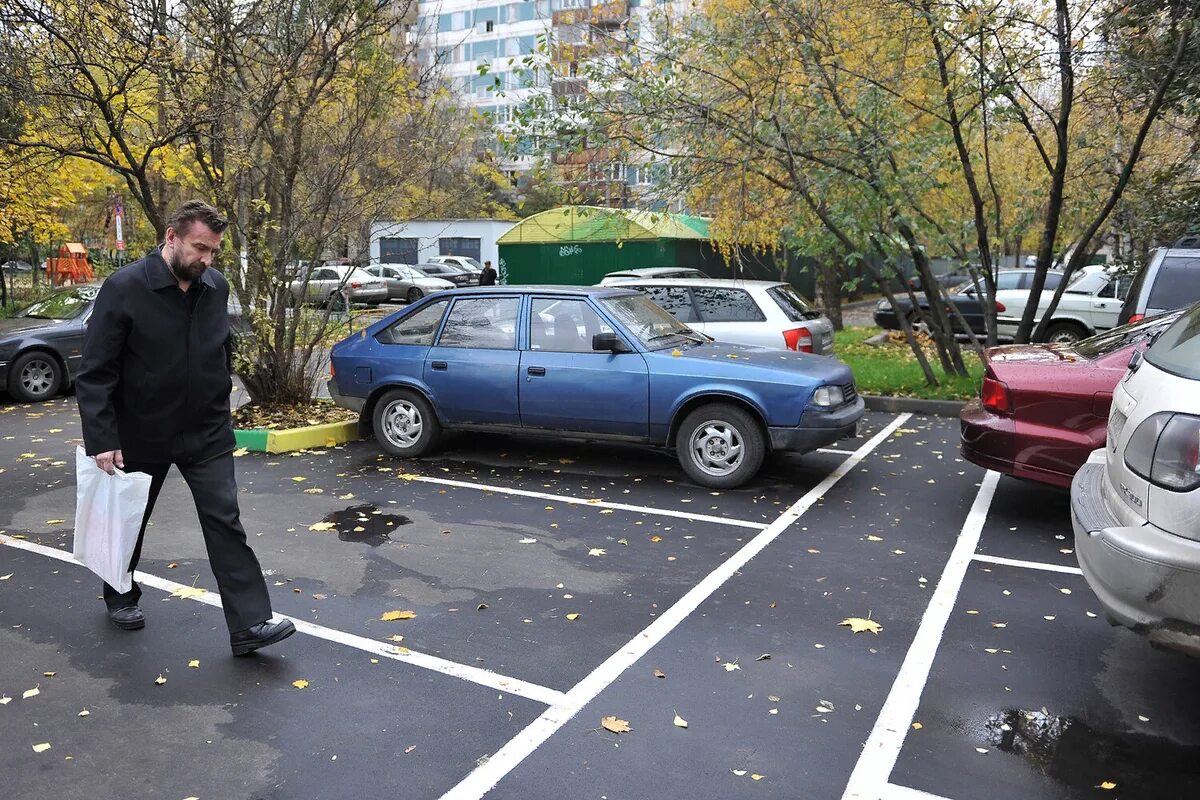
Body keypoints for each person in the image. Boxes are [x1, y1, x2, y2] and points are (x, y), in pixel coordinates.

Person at [76, 201, 295, 656]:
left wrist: (220, 405)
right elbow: (95, 372)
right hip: (141, 433)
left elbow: (220, 352)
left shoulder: (214, 286)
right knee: (130, 522)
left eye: (214, 251)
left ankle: (250, 624)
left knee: (225, 522)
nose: (207, 260)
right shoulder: (125, 287)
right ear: (172, 237)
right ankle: (119, 594)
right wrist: (103, 438)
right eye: (200, 248)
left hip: (206, 433)